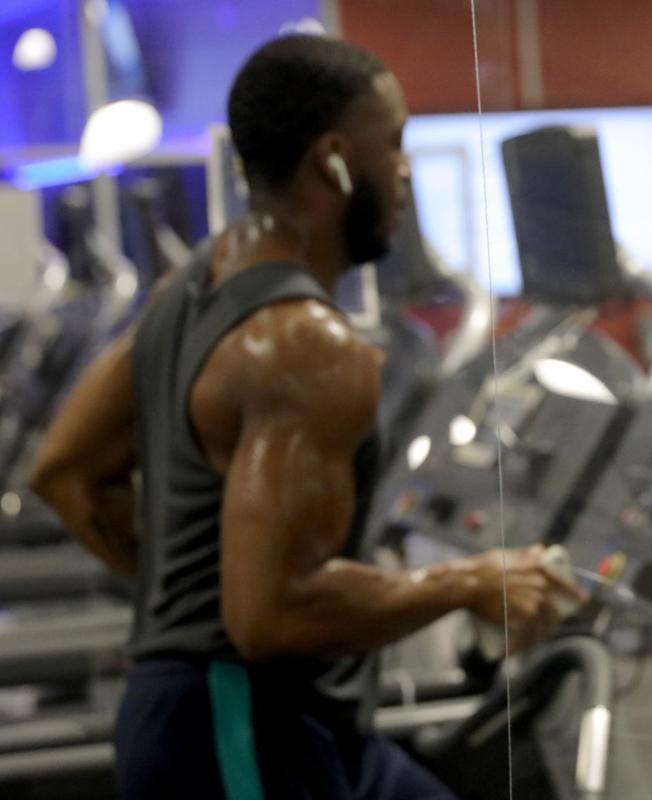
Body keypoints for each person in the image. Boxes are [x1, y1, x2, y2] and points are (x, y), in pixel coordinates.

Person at [30, 34, 585, 800]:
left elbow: (66, 474)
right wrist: (470, 579)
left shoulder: (190, 288)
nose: (404, 172)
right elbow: (271, 617)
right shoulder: (309, 345)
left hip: (232, 715)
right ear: (332, 158)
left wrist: (179, 609)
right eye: (392, 145)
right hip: (239, 731)